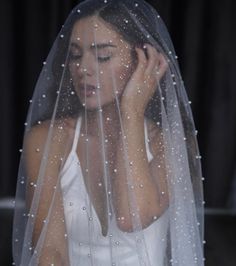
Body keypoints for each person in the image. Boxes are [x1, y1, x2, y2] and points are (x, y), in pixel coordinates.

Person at [12, 0, 204, 265]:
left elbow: (131, 216)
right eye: (76, 55)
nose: (84, 69)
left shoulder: (171, 142)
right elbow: (50, 250)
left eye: (102, 56)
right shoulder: (47, 139)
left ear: (143, 61)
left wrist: (131, 112)